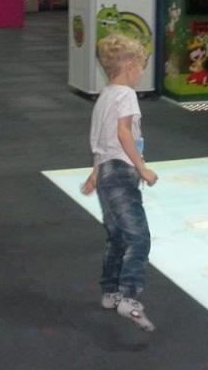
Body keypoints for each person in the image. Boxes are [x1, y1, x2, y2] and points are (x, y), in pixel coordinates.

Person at [81, 34, 158, 332]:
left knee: (117, 236)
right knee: (140, 237)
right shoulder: (126, 94)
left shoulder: (104, 96)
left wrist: (95, 174)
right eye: (141, 66)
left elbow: (101, 143)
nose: (141, 73)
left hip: (107, 174)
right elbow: (124, 133)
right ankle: (129, 297)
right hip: (123, 175)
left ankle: (109, 292)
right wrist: (142, 168)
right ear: (129, 66)